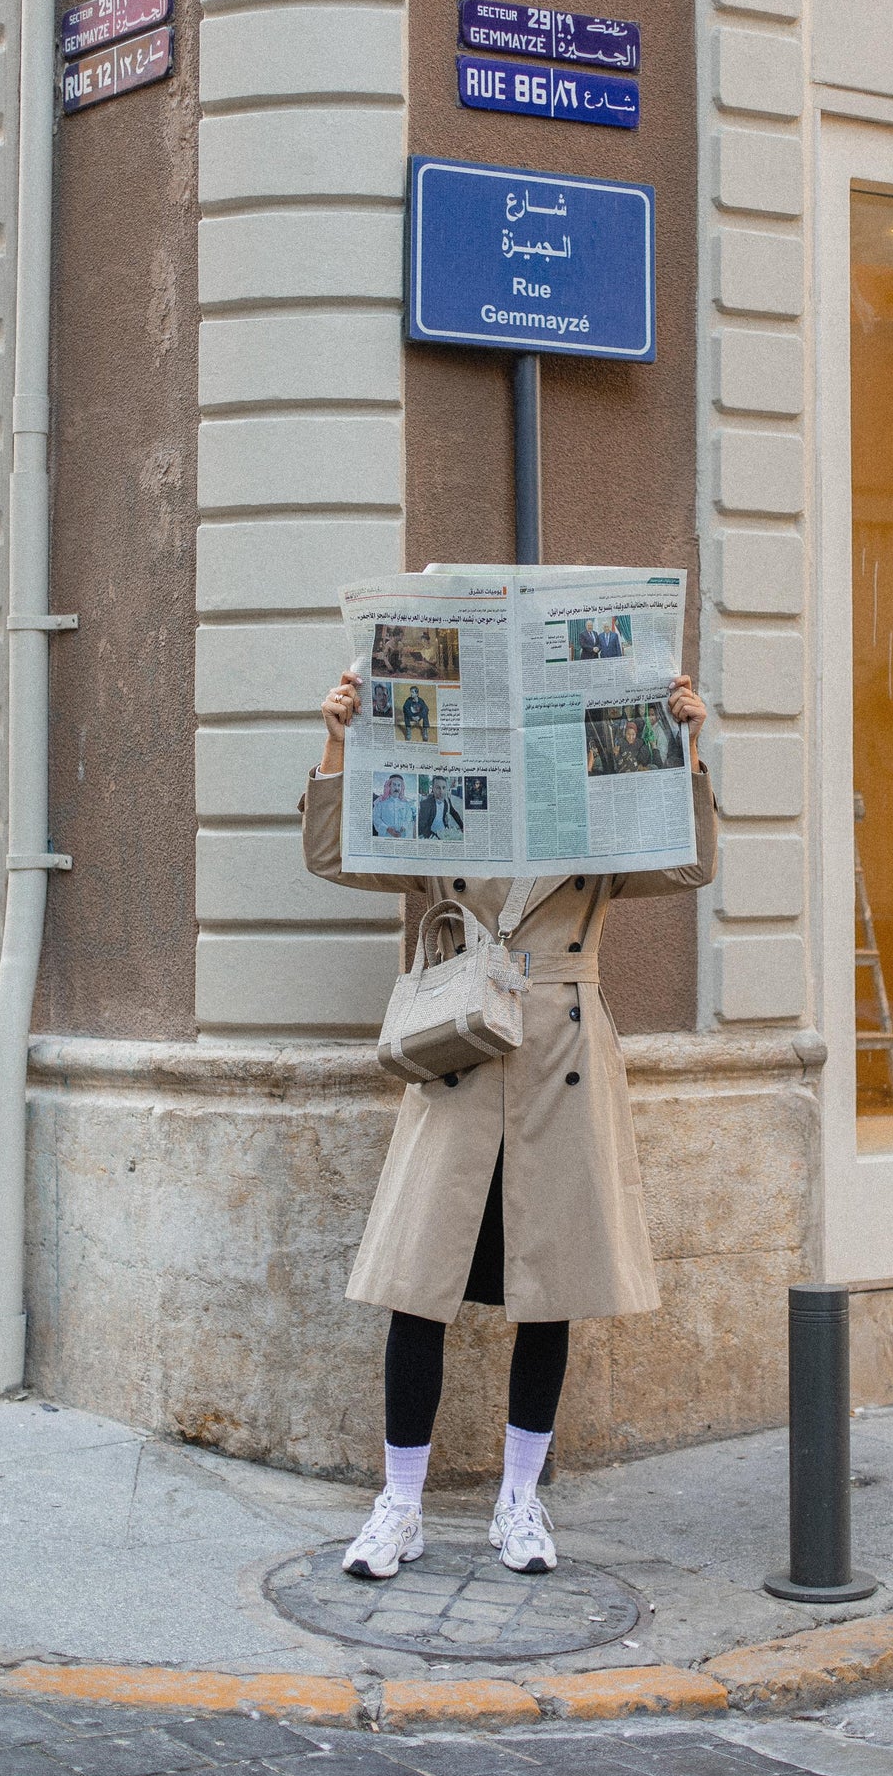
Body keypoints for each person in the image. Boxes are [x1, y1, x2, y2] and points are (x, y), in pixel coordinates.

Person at [301, 664, 714, 1580]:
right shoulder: (447, 800)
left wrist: (684, 744)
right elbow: (335, 857)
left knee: (550, 1288)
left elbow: (687, 863)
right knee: (417, 1285)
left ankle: (519, 1501)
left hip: (559, 1062)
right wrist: (337, 741)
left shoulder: (598, 818)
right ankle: (398, 1506)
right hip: (460, 1048)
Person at [372, 774, 416, 838]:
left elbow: (408, 817)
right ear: (389, 786)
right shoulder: (380, 802)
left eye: (399, 785)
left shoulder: (406, 803)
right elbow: (376, 818)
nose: (396, 788)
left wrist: (404, 826)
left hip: (401, 837)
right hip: (385, 837)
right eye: (394, 785)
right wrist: (387, 829)